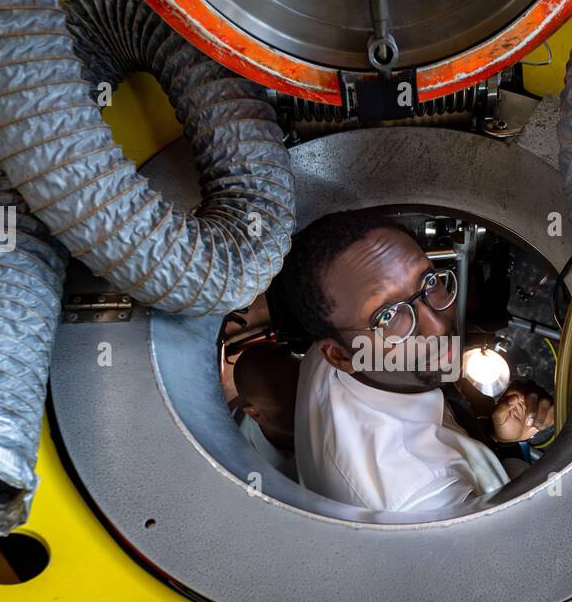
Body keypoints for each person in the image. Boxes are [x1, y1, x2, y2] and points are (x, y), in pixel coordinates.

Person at [280, 210, 553, 512]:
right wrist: (514, 449)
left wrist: (493, 434)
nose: (436, 326)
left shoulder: (335, 352)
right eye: (388, 316)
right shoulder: (427, 495)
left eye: (429, 281)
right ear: (340, 356)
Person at [232, 343, 300, 481]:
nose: (309, 399)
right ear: (254, 413)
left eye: (304, 381)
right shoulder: (243, 468)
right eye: (291, 398)